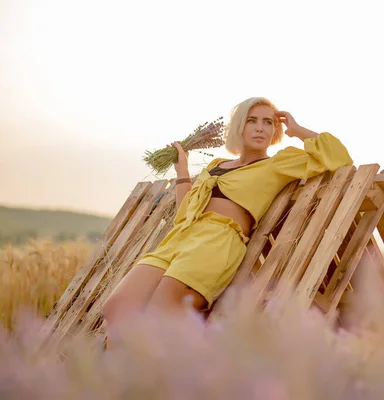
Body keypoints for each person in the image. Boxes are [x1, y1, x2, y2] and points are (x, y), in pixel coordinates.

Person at [102, 97, 353, 343]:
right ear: (239, 127)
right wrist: (183, 172)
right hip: (180, 238)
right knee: (116, 308)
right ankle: (118, 379)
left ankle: (155, 381)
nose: (260, 127)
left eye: (268, 122)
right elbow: (184, 214)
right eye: (251, 120)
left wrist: (297, 130)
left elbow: (339, 157)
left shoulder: (278, 164)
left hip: (217, 241)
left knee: (162, 312)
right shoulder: (216, 165)